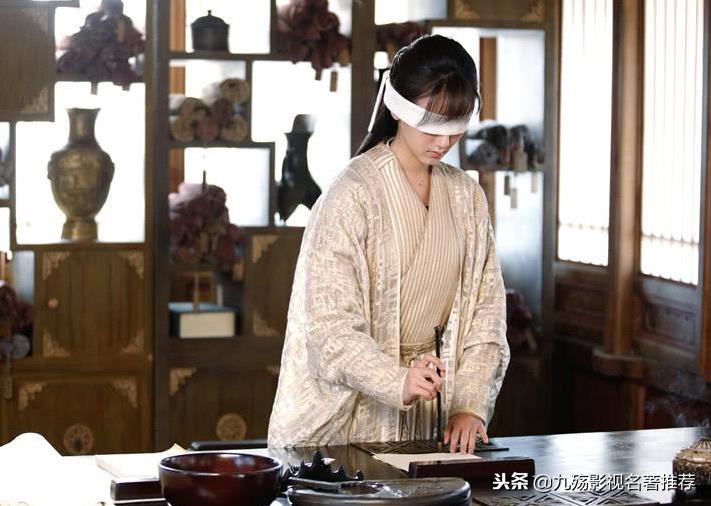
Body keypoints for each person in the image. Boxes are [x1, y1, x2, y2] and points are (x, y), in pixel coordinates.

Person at [268, 34, 509, 453]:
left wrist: (469, 405)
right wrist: (396, 380)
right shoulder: (351, 194)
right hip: (349, 422)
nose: (443, 142)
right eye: (430, 125)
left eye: (455, 127)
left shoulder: (467, 196)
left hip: (433, 412)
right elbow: (327, 326)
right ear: (396, 108)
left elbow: (486, 313)